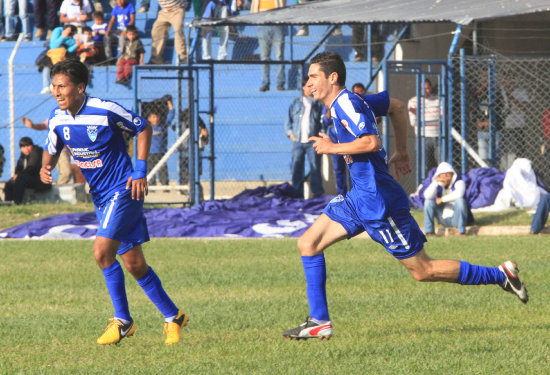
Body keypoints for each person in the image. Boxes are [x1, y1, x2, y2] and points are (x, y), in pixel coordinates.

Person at [282, 52, 528, 340]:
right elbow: (397, 107)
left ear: (332, 78)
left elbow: (371, 142)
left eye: (313, 76)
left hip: (379, 203)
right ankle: (319, 322)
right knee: (308, 243)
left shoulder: (346, 104)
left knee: (423, 270)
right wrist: (402, 150)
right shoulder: (347, 102)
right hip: (359, 198)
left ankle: (501, 275)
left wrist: (331, 148)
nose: (309, 82)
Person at [41, 59, 188, 345]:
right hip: (101, 198)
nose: (57, 91)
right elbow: (52, 147)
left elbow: (143, 128)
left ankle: (123, 321)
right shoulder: (57, 118)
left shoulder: (104, 109)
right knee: (134, 264)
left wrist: (140, 170)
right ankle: (174, 316)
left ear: (80, 88)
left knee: (101, 252)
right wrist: (45, 167)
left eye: (63, 86)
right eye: (54, 86)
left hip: (124, 191)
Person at [285, 77, 324, 198]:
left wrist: (321, 137)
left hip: (312, 142)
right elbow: (288, 121)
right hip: (298, 141)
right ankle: (297, 195)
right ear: (303, 87)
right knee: (297, 168)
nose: (311, 89)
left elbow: (321, 123)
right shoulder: (295, 102)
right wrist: (291, 134)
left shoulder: (317, 104)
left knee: (315, 168)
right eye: (308, 86)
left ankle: (317, 195)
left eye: (313, 86)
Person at [22, 116, 85, 184]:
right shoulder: (56, 116)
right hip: (62, 150)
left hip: (75, 150)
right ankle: (57, 188)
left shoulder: (78, 115)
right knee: (66, 172)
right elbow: (43, 125)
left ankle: (72, 187)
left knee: (80, 174)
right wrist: (33, 125)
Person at [423, 161, 473, 235]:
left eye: (447, 174)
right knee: (428, 202)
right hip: (443, 217)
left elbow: (459, 194)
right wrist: (435, 182)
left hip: (456, 217)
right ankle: (429, 231)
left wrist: (442, 199)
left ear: (453, 174)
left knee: (460, 201)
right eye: (443, 175)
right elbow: (427, 196)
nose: (445, 177)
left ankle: (461, 231)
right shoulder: (438, 185)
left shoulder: (459, 182)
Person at [408, 78, 442, 172]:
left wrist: (421, 116)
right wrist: (415, 115)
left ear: (430, 88)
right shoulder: (413, 101)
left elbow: (442, 118)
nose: (425, 91)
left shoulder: (438, 100)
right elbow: (413, 123)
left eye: (427, 88)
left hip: (438, 136)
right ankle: (424, 185)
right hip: (423, 138)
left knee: (442, 165)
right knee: (424, 167)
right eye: (422, 88)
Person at [4, 137, 51, 204]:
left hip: (40, 180)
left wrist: (18, 175)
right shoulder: (22, 157)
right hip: (28, 179)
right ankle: (8, 203)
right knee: (9, 183)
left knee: (20, 179)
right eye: (23, 147)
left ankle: (17, 202)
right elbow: (18, 170)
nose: (26, 149)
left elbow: (31, 168)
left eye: (28, 145)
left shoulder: (36, 152)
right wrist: (15, 176)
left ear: (32, 145)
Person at [251, 0, 285, 92]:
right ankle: (265, 83)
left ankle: (280, 83)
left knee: (279, 55)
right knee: (264, 57)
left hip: (277, 21)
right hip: (262, 22)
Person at [41, 24, 78, 94]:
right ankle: (46, 86)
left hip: (64, 56)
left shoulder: (71, 39)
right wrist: (63, 36)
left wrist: (76, 45)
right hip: (53, 54)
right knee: (46, 67)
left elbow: (69, 50)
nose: (72, 37)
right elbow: (53, 46)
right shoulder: (58, 30)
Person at [146, 95, 175, 185]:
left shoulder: (163, 126)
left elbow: (171, 114)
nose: (156, 119)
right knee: (150, 169)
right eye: (153, 117)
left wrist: (169, 103)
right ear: (149, 119)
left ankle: (164, 184)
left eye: (157, 117)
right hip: (150, 153)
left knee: (162, 169)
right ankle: (151, 184)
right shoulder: (146, 127)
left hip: (161, 152)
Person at [149, 0, 189, 65]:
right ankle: (156, 59)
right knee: (156, 31)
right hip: (164, 11)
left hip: (177, 9)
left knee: (178, 31)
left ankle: (182, 57)